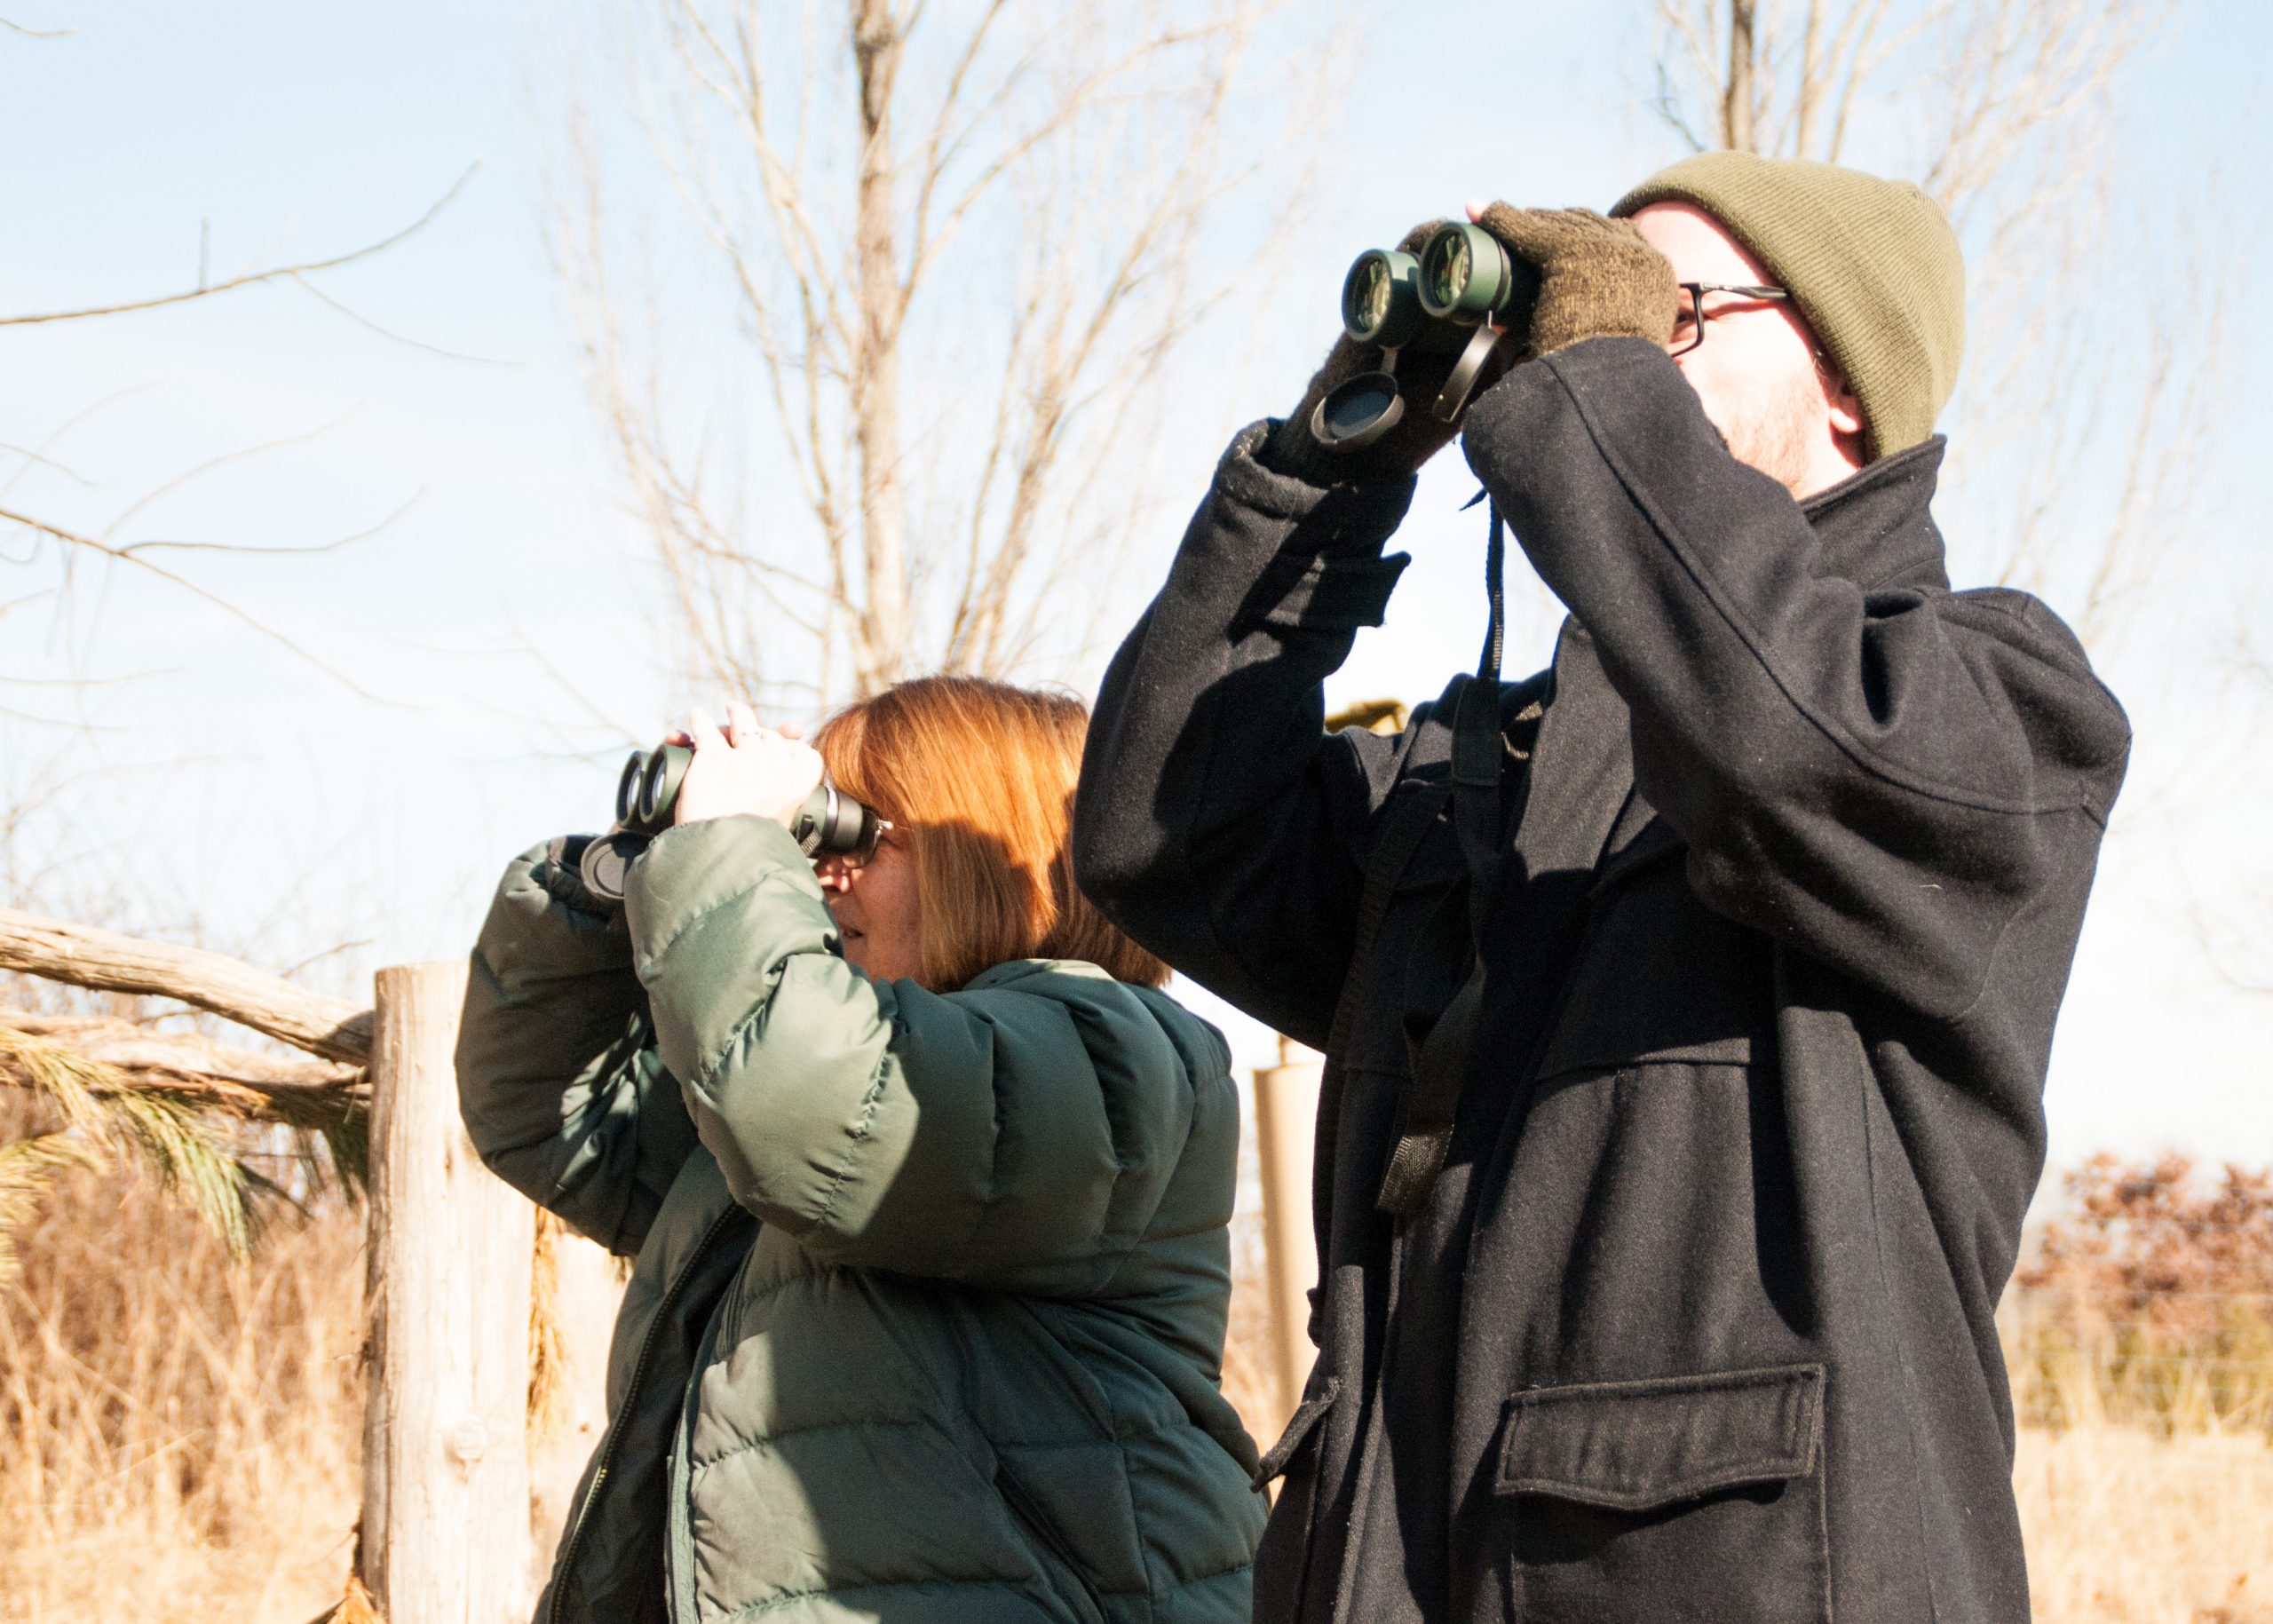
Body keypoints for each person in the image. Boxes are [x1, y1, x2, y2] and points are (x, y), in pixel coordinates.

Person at [1074, 153, 2129, 1623]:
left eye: (1671, 311)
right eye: (1589, 309)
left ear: (1844, 379)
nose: (1603, 339)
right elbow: (1164, 834)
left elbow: (1782, 740)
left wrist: (1593, 380)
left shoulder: (1991, 702)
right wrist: (1334, 463)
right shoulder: (1485, 772)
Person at [457, 676, 1265, 1624]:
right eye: (806, 838)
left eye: (854, 835)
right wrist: (634, 873)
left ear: (987, 855)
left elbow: (816, 1100)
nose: (820, 874)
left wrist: (726, 853)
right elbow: (547, 1108)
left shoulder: (1110, 1052)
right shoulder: (787, 1099)